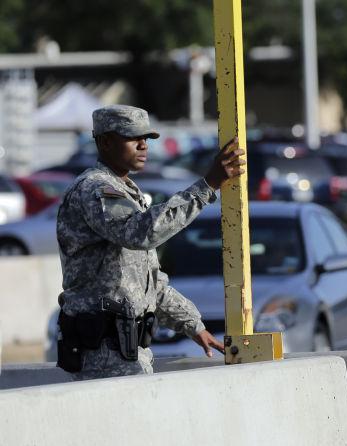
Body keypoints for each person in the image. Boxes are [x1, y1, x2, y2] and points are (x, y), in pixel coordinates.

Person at [56, 104, 246, 379]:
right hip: (103, 354)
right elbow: (141, 233)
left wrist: (193, 326)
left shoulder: (125, 191)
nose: (143, 145)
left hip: (127, 350)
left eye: (146, 139)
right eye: (133, 137)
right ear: (106, 141)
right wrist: (207, 186)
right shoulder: (94, 189)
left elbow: (149, 283)